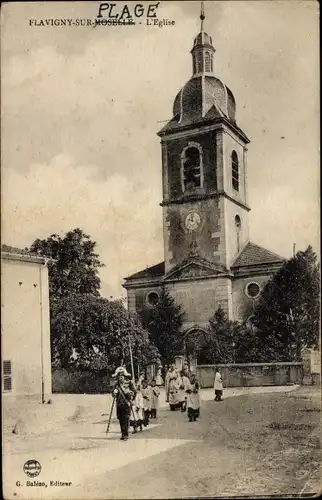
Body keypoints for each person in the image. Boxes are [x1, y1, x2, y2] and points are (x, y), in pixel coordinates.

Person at [112, 366, 136, 441]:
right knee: (120, 419)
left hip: (127, 403)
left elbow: (134, 392)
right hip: (119, 404)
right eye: (119, 376)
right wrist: (114, 393)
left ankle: (126, 434)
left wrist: (131, 396)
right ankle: (123, 434)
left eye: (122, 376)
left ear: (124, 376)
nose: (120, 378)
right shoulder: (116, 384)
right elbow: (112, 394)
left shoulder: (129, 383)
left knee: (126, 419)